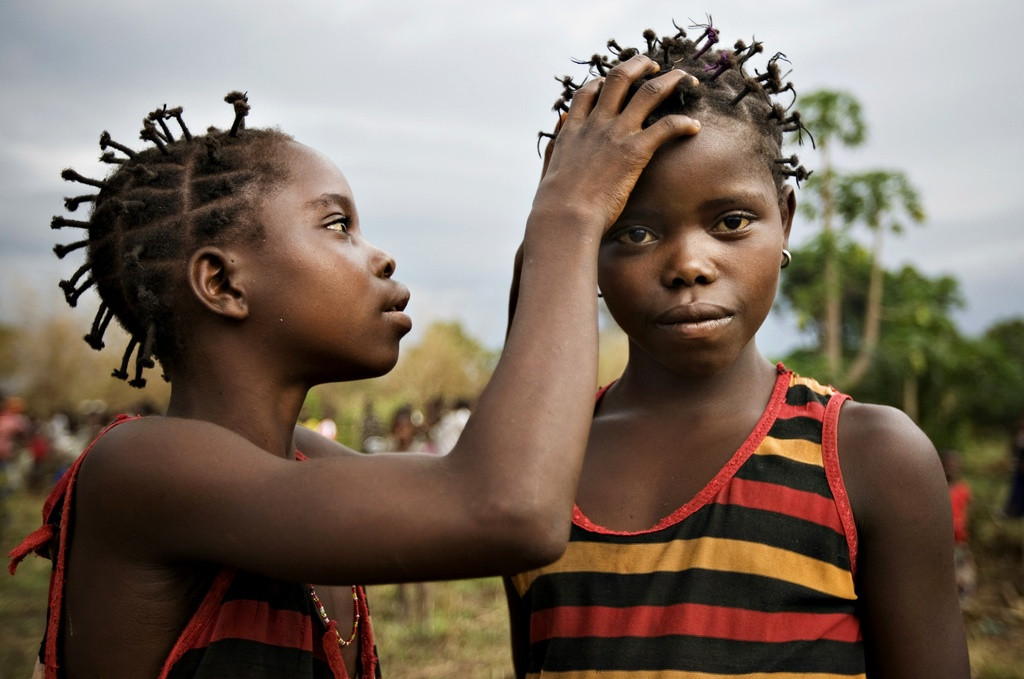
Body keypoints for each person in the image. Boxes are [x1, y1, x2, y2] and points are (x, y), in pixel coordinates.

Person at [8, 62, 700, 679]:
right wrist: (569, 216)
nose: (380, 257)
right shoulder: (141, 467)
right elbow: (509, 509)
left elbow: (499, 471)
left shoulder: (307, 463)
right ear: (222, 282)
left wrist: (548, 244)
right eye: (338, 225)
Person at [504, 19, 970, 679]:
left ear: (786, 216)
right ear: (585, 245)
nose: (689, 264)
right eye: (634, 232)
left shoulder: (868, 460)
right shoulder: (530, 469)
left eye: (730, 221)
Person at [941, 449, 976, 604]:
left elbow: (969, 512)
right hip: (943, 544)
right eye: (949, 464)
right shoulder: (937, 489)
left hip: (960, 543)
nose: (952, 467)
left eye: (955, 464)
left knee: (965, 580)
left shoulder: (964, 489)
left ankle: (963, 607)